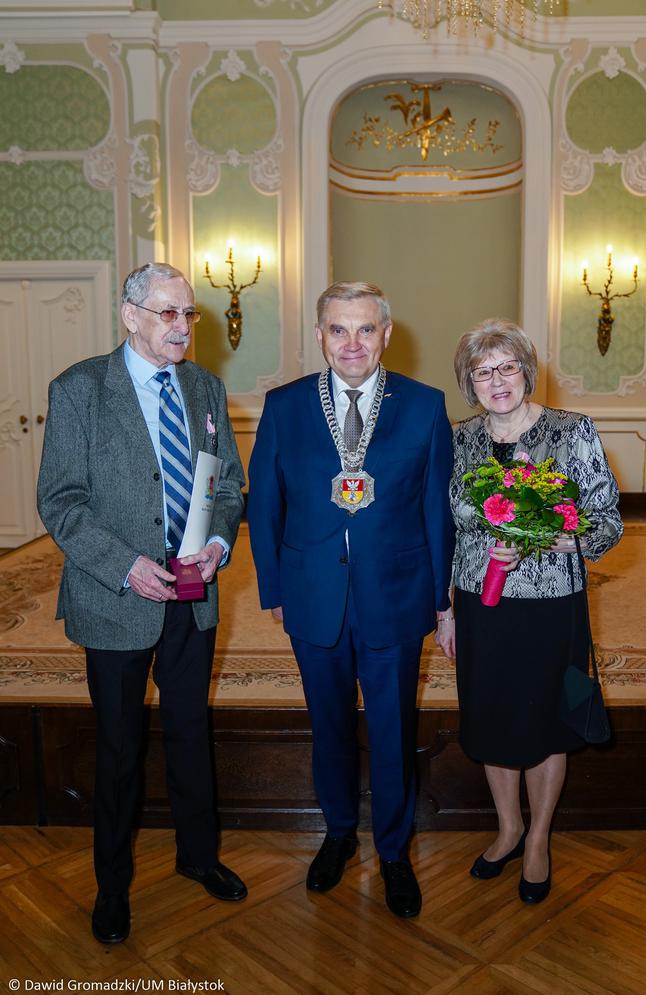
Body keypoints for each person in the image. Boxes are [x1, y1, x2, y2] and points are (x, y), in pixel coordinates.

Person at [37, 263, 247, 945]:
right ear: (130, 315)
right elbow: (60, 500)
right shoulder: (78, 390)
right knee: (120, 746)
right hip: (115, 596)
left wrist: (216, 543)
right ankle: (111, 884)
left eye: (189, 314)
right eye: (168, 313)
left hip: (193, 595)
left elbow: (229, 486)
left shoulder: (206, 386)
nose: (183, 327)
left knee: (191, 730)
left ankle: (198, 856)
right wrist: (125, 566)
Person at [247, 281, 455, 918]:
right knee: (329, 725)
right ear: (320, 336)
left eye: (366, 329)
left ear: (387, 335)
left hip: (395, 593)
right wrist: (275, 590)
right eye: (339, 329)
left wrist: (441, 599)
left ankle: (393, 852)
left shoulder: (423, 406)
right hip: (313, 595)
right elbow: (264, 501)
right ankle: (338, 834)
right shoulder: (284, 406)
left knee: (393, 730)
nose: (353, 343)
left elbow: (436, 511)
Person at [437, 317, 623, 904]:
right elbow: (447, 530)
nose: (497, 380)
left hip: (550, 606)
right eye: (482, 371)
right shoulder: (459, 438)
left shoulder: (571, 431)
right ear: (469, 382)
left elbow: (607, 520)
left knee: (546, 721)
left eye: (507, 367)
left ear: (526, 371)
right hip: (480, 602)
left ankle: (538, 837)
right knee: (492, 716)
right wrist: (446, 611)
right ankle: (508, 827)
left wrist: (566, 538)